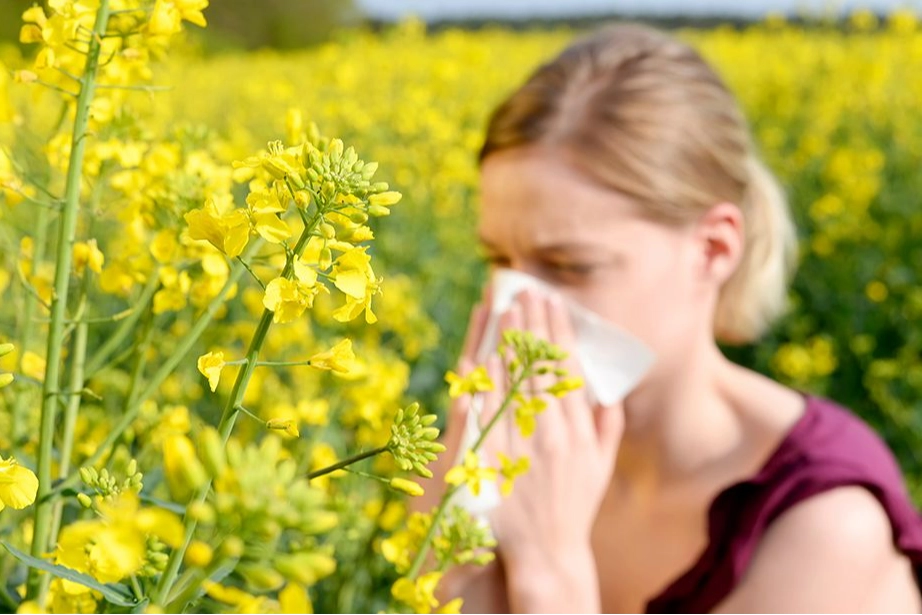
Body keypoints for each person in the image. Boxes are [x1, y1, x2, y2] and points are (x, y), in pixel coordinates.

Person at [414, 22, 922, 614]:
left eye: (570, 265)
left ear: (713, 250)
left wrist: (550, 573)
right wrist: (456, 543)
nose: (516, 305)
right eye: (497, 259)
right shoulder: (524, 455)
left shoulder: (823, 523)